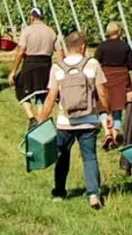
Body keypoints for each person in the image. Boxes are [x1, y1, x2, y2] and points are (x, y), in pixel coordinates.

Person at [35, 31, 109, 208]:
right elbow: (102, 92)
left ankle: (59, 192)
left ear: (67, 47)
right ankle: (93, 193)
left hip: (65, 121)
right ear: (83, 47)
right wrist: (107, 112)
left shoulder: (57, 67)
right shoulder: (92, 64)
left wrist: (40, 121)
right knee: (90, 158)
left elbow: (51, 97)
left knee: (62, 157)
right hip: (89, 120)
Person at [11, 7, 61, 119]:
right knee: (42, 93)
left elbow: (21, 51)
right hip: (46, 65)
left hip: (30, 63)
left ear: (32, 17)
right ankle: (41, 119)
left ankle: (31, 117)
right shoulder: (51, 31)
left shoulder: (27, 31)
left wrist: (14, 70)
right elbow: (60, 51)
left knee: (21, 89)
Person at [93, 21, 132, 139]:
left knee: (102, 105)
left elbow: (95, 62)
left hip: (105, 77)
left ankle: (106, 131)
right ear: (119, 32)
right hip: (121, 79)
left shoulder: (102, 46)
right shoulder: (125, 46)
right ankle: (114, 135)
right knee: (118, 106)